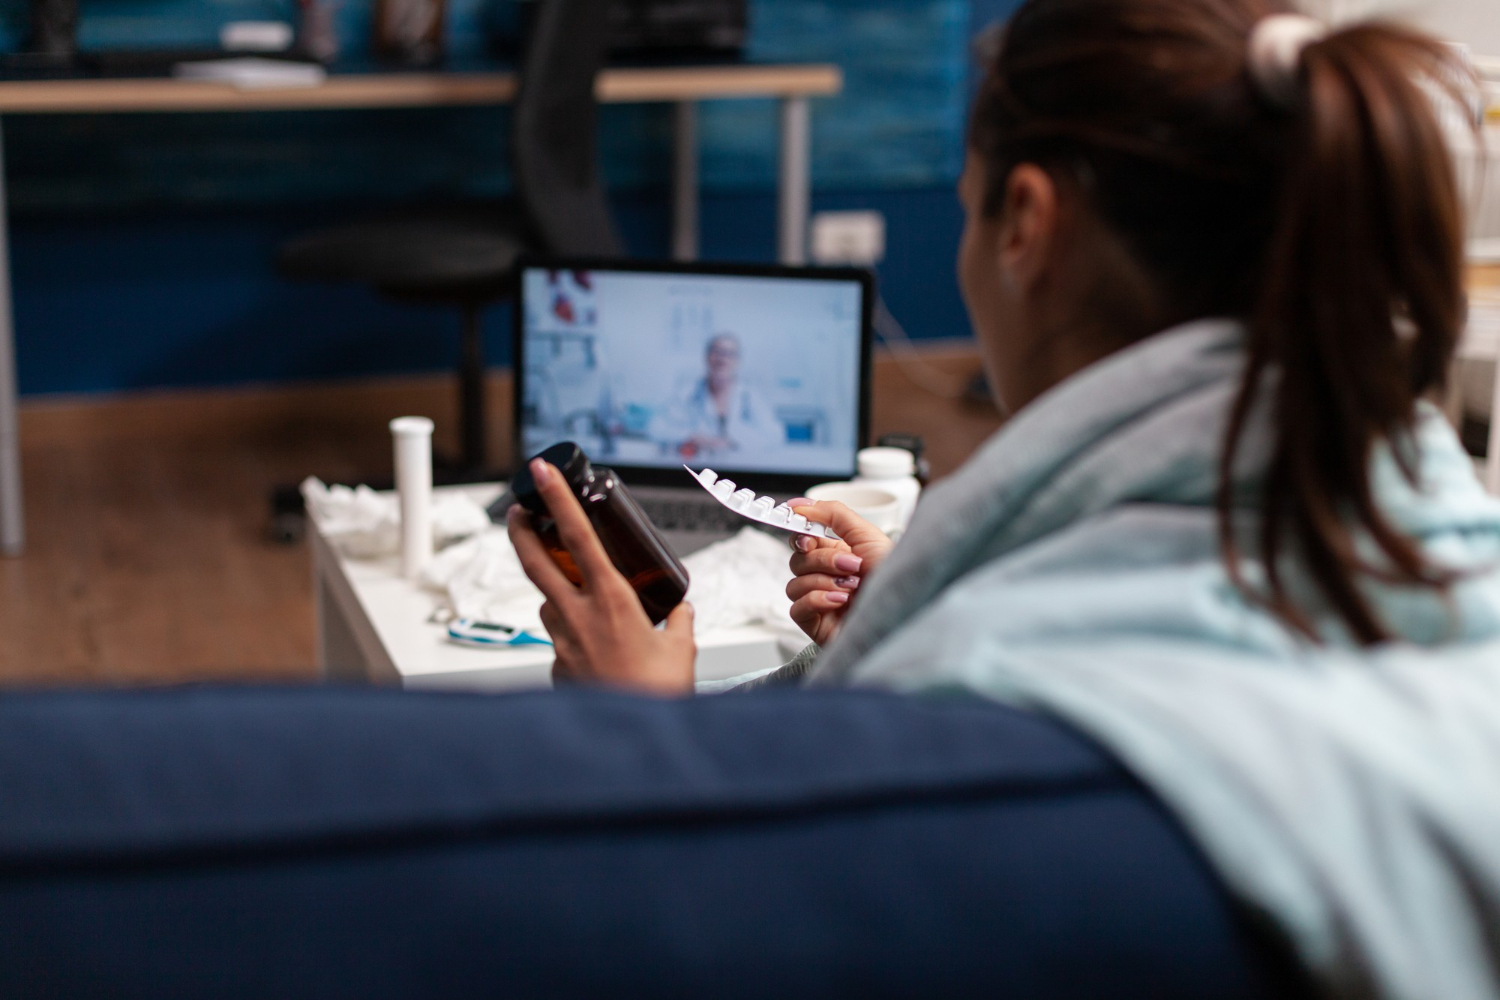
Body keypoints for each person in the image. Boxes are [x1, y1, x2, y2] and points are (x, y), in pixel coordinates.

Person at [508, 0, 1500, 995]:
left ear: (1025, 223)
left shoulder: (981, 721)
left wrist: (640, 734)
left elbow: (726, 937)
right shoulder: (1447, 541)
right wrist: (903, 613)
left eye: (970, 202)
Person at [668, 333, 779, 460]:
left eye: (730, 354)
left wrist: (731, 441)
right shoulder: (687, 392)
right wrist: (691, 436)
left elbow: (774, 436)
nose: (722, 359)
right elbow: (657, 428)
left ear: (738, 360)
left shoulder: (750, 395)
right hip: (696, 467)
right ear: (706, 357)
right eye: (717, 352)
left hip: (741, 469)